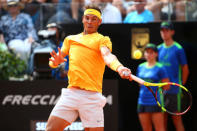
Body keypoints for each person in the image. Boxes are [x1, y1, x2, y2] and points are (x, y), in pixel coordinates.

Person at [46, 4, 132, 131]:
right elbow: (53, 62)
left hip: (91, 97)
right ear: (82, 19)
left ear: (99, 22)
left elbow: (108, 56)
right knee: (50, 129)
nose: (90, 22)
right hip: (71, 93)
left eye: (93, 19)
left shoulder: (102, 40)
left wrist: (120, 68)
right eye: (87, 18)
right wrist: (55, 62)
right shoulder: (70, 39)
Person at [158, 21, 189, 131]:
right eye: (162, 30)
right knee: (162, 119)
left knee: (177, 119)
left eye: (167, 30)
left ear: (172, 32)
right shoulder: (158, 48)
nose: (164, 33)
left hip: (174, 91)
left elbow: (185, 69)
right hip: (162, 91)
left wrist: (180, 86)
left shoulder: (178, 48)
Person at [136, 43, 169, 131]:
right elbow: (140, 84)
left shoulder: (160, 68)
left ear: (156, 54)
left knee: (159, 129)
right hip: (142, 102)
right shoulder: (140, 67)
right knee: (146, 129)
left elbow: (166, 86)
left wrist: (158, 90)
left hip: (155, 102)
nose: (149, 54)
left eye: (151, 52)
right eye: (147, 52)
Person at [0, 0, 38, 64]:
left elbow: (31, 28)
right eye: (10, 6)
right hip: (12, 40)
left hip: (26, 39)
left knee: (29, 47)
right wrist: (2, 41)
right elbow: (0, 32)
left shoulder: (25, 16)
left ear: (18, 6)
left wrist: (31, 37)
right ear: (8, 7)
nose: (13, 7)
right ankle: (24, 69)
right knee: (19, 48)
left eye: (15, 5)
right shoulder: (3, 19)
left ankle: (28, 68)